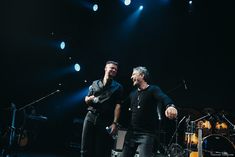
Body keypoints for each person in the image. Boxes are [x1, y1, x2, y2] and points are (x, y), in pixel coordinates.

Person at [120, 66, 178, 157]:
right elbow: (121, 106)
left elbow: (163, 97)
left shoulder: (153, 89)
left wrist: (170, 106)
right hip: (131, 133)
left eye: (134, 74)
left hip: (146, 134)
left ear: (142, 76)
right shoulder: (132, 94)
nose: (131, 77)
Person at [80, 61, 123, 157]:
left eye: (115, 69)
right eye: (112, 68)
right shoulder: (95, 83)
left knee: (99, 149)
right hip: (90, 117)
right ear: (105, 68)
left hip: (105, 119)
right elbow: (87, 100)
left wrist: (114, 123)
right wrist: (88, 99)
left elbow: (118, 106)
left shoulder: (118, 87)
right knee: (85, 147)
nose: (114, 70)